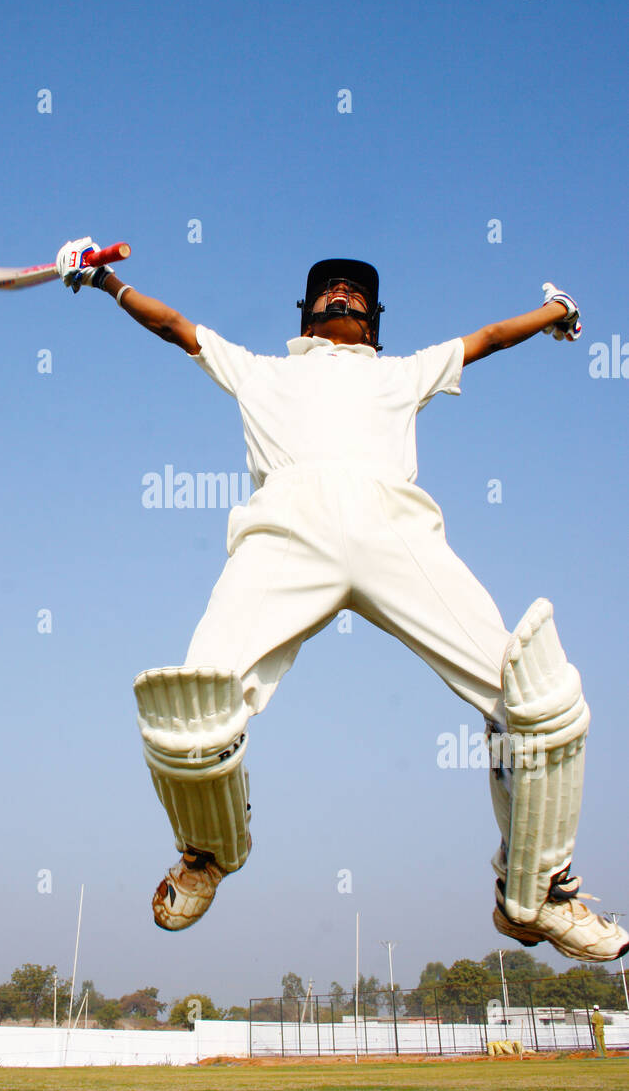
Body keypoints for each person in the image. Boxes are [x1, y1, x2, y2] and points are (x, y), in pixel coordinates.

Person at [54, 237, 629, 965]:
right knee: (190, 712)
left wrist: (554, 311)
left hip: (398, 530)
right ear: (305, 312)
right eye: (329, 289)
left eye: (357, 292)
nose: (342, 295)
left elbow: (486, 337)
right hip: (285, 531)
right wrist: (104, 282)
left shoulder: (403, 373)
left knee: (537, 699)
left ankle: (536, 895)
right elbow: (174, 325)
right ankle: (208, 853)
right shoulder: (261, 371)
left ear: (376, 320)